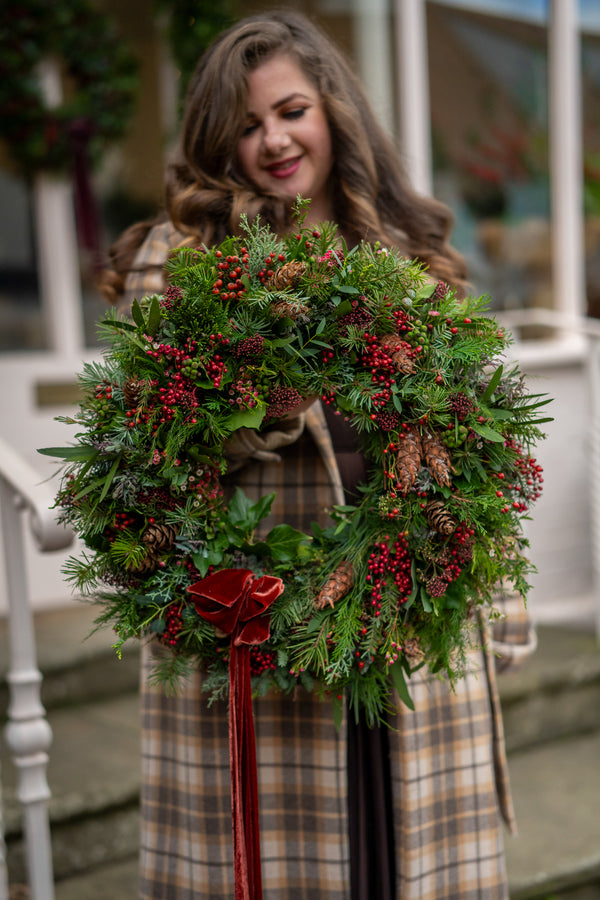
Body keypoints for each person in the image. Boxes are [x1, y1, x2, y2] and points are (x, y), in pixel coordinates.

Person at [102, 10, 536, 899]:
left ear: (334, 108)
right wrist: (259, 411)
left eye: (291, 111)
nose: (273, 141)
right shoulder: (186, 258)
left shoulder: (406, 252)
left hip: (413, 631)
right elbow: (141, 457)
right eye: (246, 124)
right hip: (268, 641)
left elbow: (473, 449)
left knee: (409, 864)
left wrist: (501, 608)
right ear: (217, 140)